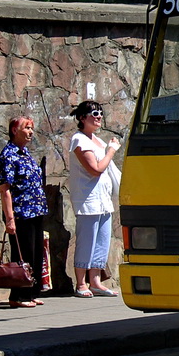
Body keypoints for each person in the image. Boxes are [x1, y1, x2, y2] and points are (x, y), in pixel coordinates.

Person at [69, 101, 121, 298]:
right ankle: (81, 283)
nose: (99, 117)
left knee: (102, 241)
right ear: (82, 118)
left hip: (103, 200)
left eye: (100, 113)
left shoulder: (98, 141)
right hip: (88, 200)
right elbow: (95, 169)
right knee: (87, 241)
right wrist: (111, 151)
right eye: (94, 113)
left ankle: (96, 282)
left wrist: (107, 149)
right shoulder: (79, 140)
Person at [0, 116, 49, 308]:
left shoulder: (25, 153)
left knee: (35, 254)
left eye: (31, 128)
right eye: (26, 128)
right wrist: (10, 218)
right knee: (22, 254)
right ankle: (18, 295)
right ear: (14, 131)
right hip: (20, 212)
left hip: (35, 210)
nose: (30, 132)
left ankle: (31, 292)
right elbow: (5, 189)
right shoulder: (8, 155)